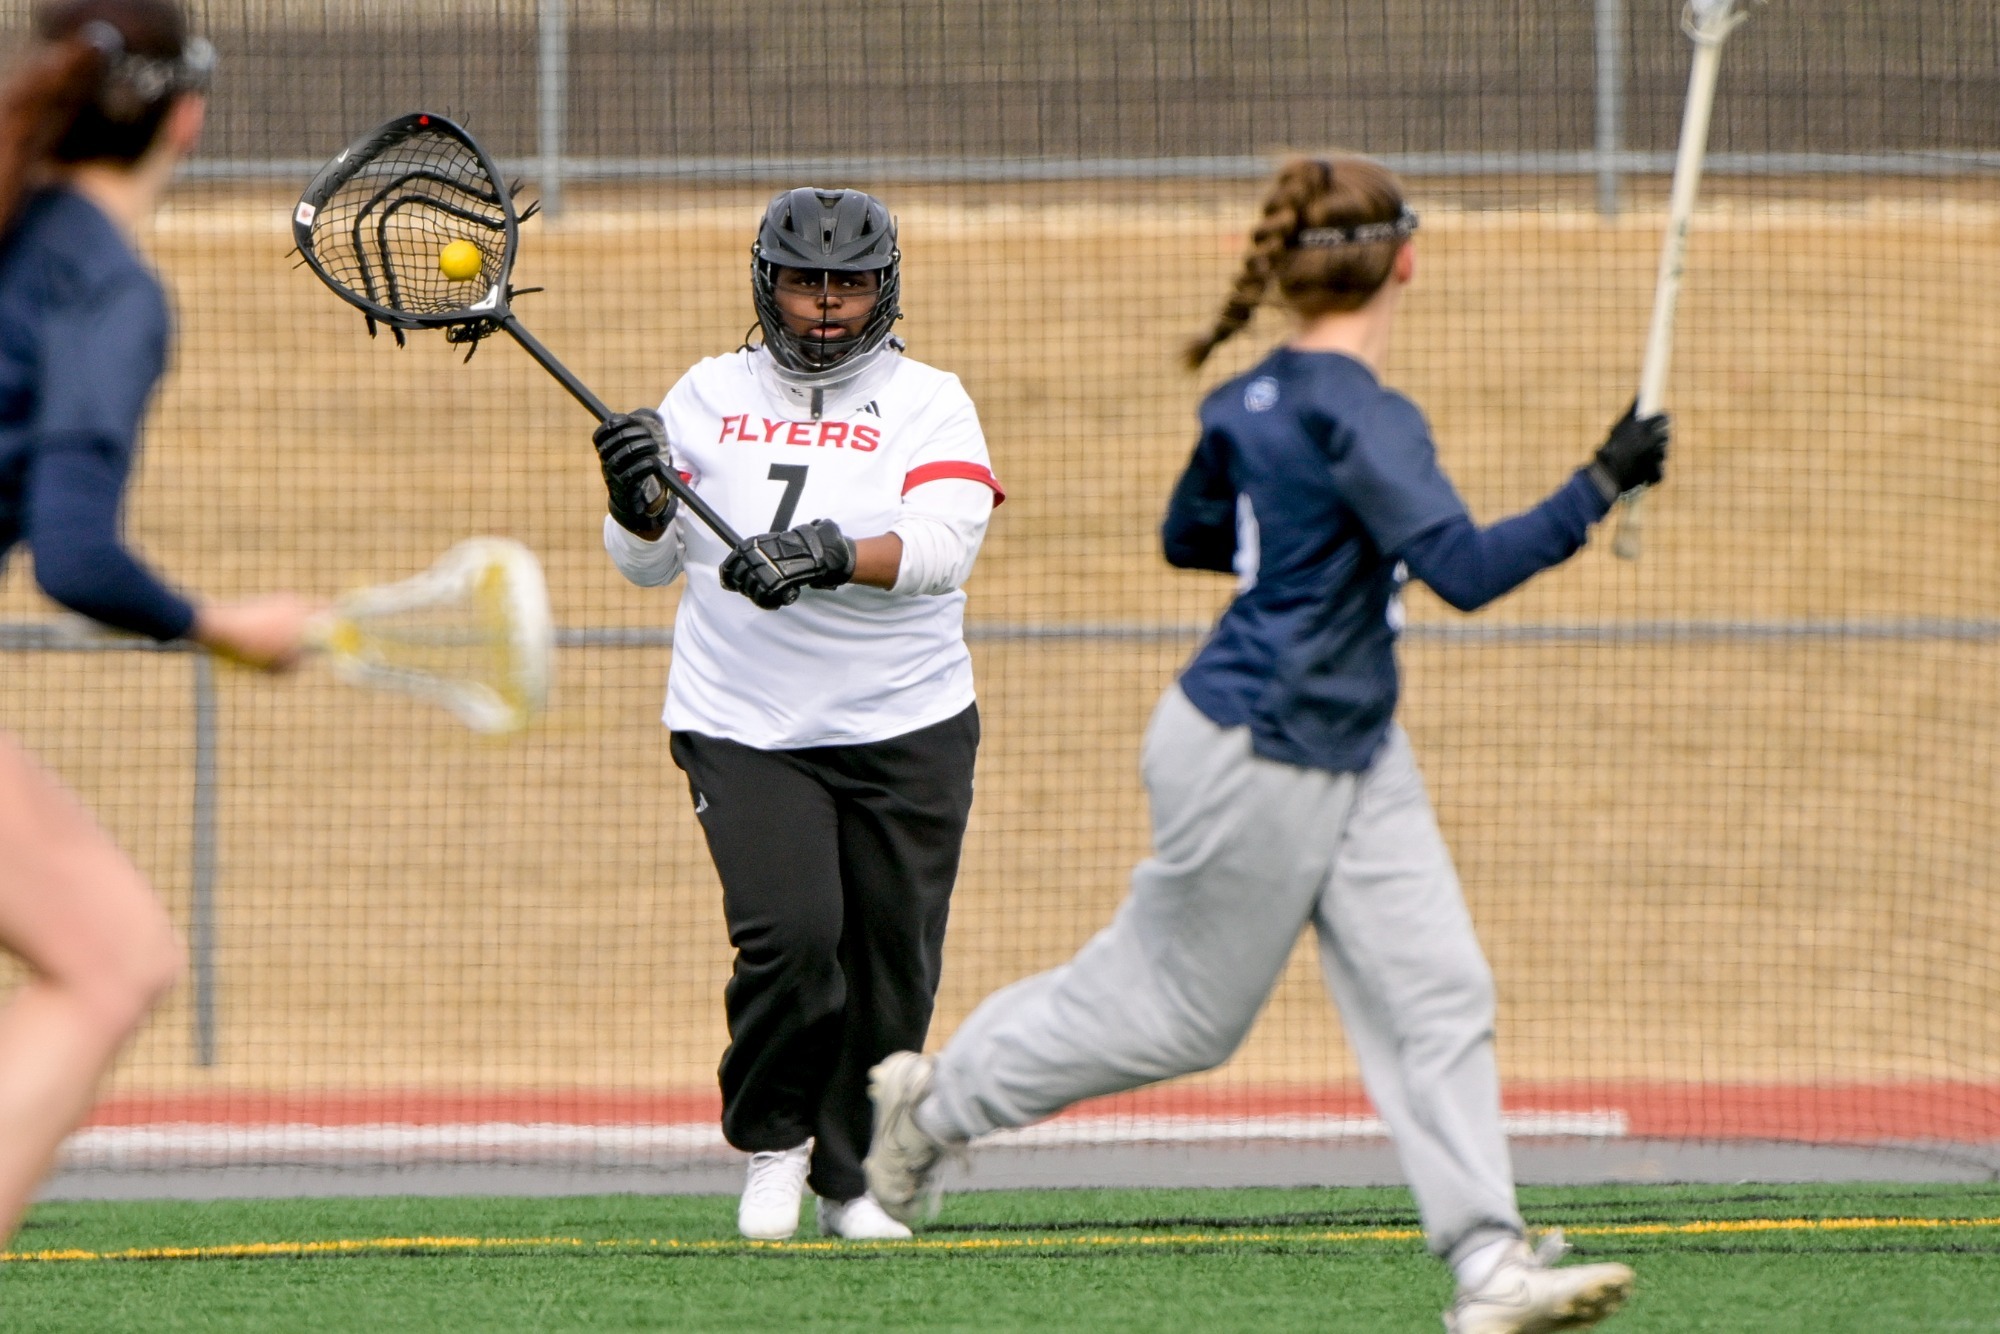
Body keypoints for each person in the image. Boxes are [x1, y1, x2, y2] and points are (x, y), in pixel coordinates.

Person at [863, 155, 1665, 1332]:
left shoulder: (1248, 400)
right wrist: (1600, 480)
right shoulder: (1365, 414)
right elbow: (1467, 572)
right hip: (1258, 740)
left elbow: (1190, 534)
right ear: (1404, 259)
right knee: (1181, 1017)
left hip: (1348, 737)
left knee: (1437, 988)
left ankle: (1489, 1264)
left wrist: (1308, 549)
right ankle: (929, 1111)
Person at [592, 186, 1003, 1241]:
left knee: (890, 958)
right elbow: (645, 565)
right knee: (791, 936)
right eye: (805, 281)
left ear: (883, 288)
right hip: (745, 721)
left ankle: (850, 1176)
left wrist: (828, 552)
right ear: (766, 282)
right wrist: (632, 501)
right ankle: (773, 1142)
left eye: (848, 284)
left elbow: (943, 544)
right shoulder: (702, 391)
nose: (826, 305)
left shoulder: (930, 401)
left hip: (905, 722)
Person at [0, 0, 316, 1244]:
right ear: (188, 118)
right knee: (113, 958)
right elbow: (76, 555)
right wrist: (218, 622)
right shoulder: (101, 288)